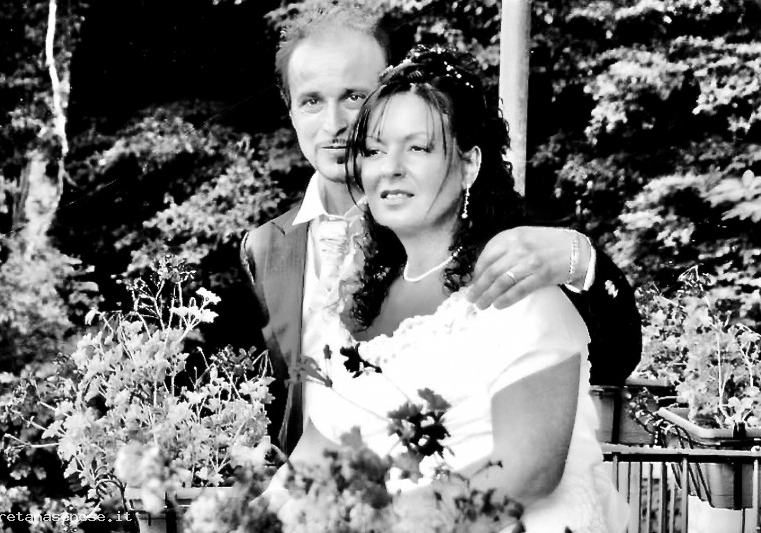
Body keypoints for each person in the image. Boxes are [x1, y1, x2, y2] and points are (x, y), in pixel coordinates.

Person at [241, 2, 641, 456]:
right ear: (290, 110)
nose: (334, 125)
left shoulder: (497, 233)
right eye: (312, 100)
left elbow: (610, 361)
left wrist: (583, 262)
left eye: (353, 97)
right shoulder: (263, 249)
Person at [277, 45, 628, 532]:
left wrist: (373, 524)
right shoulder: (356, 299)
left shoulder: (515, 289)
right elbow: (318, 448)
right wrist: (251, 517)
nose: (390, 167)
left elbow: (527, 471)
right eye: (375, 150)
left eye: (417, 148)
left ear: (469, 165)